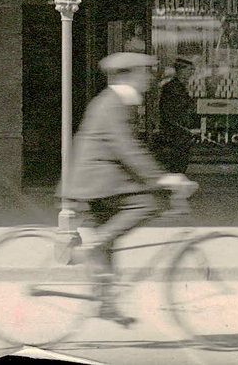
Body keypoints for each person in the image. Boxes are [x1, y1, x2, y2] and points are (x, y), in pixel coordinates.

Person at [64, 51, 194, 323]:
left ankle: (105, 303)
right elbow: (127, 148)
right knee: (149, 203)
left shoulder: (118, 101)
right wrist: (162, 179)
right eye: (145, 73)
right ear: (130, 74)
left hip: (97, 182)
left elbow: (127, 150)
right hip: (95, 183)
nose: (149, 79)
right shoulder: (113, 104)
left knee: (109, 238)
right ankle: (93, 246)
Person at [156, 57, 197, 174]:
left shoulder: (178, 86)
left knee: (179, 162)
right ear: (181, 70)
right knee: (177, 163)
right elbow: (172, 111)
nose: (191, 73)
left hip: (179, 131)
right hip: (176, 132)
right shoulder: (173, 88)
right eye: (189, 70)